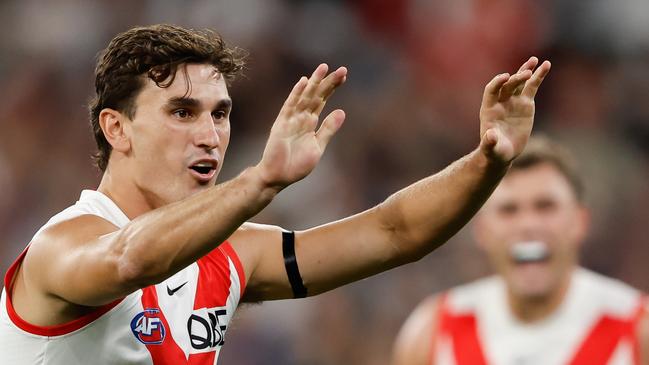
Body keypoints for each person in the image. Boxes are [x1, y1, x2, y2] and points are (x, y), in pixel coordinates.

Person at [0, 24, 550, 364]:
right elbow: (128, 260)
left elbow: (394, 232)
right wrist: (260, 180)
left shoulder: (233, 255)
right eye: (182, 112)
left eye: (220, 114)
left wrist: (487, 159)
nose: (209, 135)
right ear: (116, 129)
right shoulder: (61, 245)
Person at [391, 136, 649, 365]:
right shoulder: (433, 332)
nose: (528, 225)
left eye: (545, 206)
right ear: (481, 230)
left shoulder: (638, 329)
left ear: (580, 222)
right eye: (509, 210)